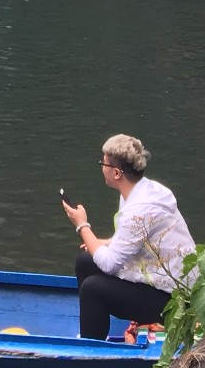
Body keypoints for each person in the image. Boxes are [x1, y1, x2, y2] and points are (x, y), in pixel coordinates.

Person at [61, 133, 195, 342]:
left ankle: (92, 349)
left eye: (102, 163)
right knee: (85, 262)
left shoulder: (140, 209)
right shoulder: (142, 190)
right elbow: (136, 237)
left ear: (116, 173)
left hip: (173, 300)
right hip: (156, 280)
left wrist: (82, 225)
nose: (101, 168)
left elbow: (109, 265)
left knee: (92, 289)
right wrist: (104, 243)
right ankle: (93, 330)